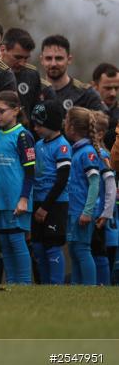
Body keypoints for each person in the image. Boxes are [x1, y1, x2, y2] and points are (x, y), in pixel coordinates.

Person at [0, 91, 36, 284]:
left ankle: (24, 283)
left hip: (17, 200)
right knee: (4, 243)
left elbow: (30, 171)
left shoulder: (23, 135)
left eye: (1, 111)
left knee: (17, 241)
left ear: (16, 110)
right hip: (0, 199)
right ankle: (12, 284)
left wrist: (24, 199)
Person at [29, 100, 71, 285]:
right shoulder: (38, 145)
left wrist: (45, 207)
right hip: (37, 201)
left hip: (55, 204)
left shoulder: (62, 146)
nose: (35, 128)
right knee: (38, 246)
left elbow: (62, 180)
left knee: (52, 246)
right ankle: (44, 286)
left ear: (52, 123)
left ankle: (56, 285)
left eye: (39, 124)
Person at [63, 107, 102, 285]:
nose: (64, 124)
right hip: (74, 209)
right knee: (73, 250)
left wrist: (87, 211)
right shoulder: (77, 151)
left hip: (82, 211)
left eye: (66, 120)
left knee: (82, 250)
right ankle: (77, 288)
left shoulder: (87, 153)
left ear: (72, 127)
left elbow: (94, 183)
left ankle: (89, 287)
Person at [40, 35, 105, 112]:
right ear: (42, 60)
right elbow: (25, 119)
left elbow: (105, 118)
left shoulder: (86, 94)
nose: (53, 64)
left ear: (69, 60)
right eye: (48, 58)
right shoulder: (34, 91)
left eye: (59, 58)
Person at [0, 28, 53, 119]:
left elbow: (37, 110)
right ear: (2, 49)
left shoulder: (32, 75)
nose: (22, 63)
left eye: (26, 58)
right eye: (17, 57)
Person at [91, 112, 117, 285]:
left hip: (100, 212)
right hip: (94, 210)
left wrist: (103, 211)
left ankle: (103, 285)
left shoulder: (103, 156)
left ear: (100, 134)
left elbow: (109, 187)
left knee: (100, 250)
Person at [92, 63, 119, 150]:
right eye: (108, 88)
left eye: (116, 88)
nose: (113, 93)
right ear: (94, 86)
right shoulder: (85, 113)